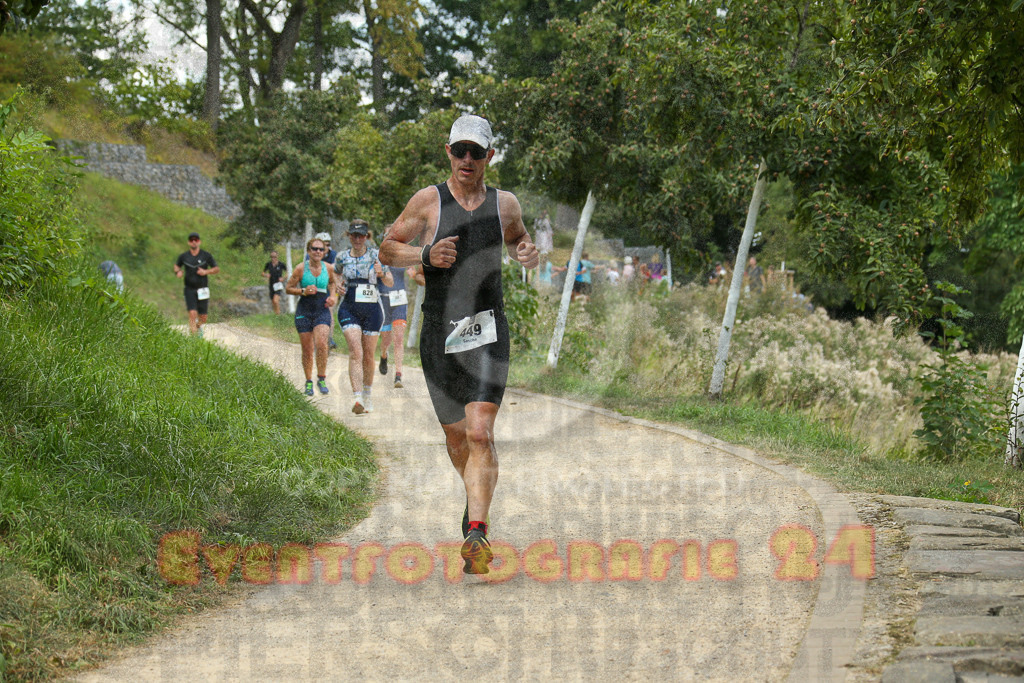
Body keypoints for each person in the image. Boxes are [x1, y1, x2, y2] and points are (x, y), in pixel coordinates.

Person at [379, 113, 539, 575]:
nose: (467, 159)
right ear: (448, 152)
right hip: (439, 333)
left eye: (477, 151)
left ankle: (478, 532)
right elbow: (388, 248)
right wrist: (424, 254)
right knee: (455, 435)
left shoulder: (505, 205)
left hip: (488, 330)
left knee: (479, 431)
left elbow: (520, 240)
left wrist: (526, 251)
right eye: (459, 150)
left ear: (490, 156)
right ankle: (474, 508)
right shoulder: (428, 201)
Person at [334, 219, 393, 414]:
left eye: (361, 236)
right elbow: (335, 274)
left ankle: (367, 395)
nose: (357, 239)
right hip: (349, 307)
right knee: (355, 351)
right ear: (349, 236)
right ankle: (357, 397)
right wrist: (337, 285)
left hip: (372, 310)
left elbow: (390, 281)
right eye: (354, 235)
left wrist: (382, 274)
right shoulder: (342, 257)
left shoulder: (377, 255)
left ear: (367, 237)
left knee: (368, 355)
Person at [285, 237, 340, 396]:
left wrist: (333, 297)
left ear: (324, 252)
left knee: (322, 344)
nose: (317, 252)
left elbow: (332, 283)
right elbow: (288, 288)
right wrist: (302, 291)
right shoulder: (300, 269)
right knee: (308, 349)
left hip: (321, 309)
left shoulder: (329, 268)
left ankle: (321, 378)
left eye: (320, 249)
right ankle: (308, 381)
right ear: (309, 251)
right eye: (314, 249)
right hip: (304, 310)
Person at [378, 251, 414, 389]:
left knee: (398, 338)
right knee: (386, 339)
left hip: (399, 300)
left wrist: (412, 272)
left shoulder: (403, 256)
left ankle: (398, 374)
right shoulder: (378, 257)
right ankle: (383, 355)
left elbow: (412, 269)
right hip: (383, 300)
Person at [173, 232, 220, 337]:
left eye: (196, 240)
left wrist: (206, 272)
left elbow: (216, 269)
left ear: (199, 242)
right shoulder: (184, 256)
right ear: (188, 242)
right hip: (189, 289)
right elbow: (176, 266)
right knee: (192, 313)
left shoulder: (206, 255)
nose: (194, 242)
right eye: (191, 240)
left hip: (203, 289)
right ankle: (194, 338)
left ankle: (197, 327)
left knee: (203, 318)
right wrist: (178, 272)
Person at [262, 250, 286, 314]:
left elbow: (289, 272)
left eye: (274, 257)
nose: (273, 258)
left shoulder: (281, 264)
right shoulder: (268, 264)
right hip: (271, 284)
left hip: (278, 284)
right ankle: (276, 314)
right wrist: (266, 275)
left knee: (276, 301)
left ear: (277, 256)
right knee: (273, 301)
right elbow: (262, 273)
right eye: (271, 257)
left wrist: (283, 278)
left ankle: (278, 314)